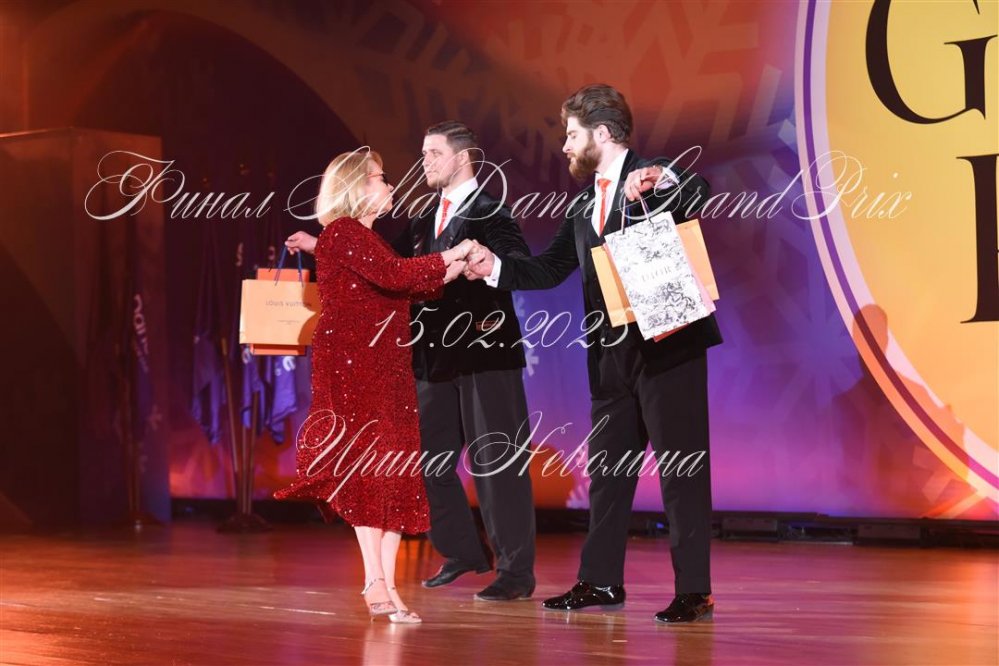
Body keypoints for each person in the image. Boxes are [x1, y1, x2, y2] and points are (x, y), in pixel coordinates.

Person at [464, 84, 722, 623]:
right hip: (610, 356)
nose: (564, 145)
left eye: (572, 134)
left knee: (681, 473)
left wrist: (661, 179)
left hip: (668, 346)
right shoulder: (584, 204)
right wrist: (494, 267)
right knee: (608, 474)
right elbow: (549, 268)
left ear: (602, 134)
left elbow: (697, 191)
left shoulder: (650, 175)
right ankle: (601, 581)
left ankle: (694, 591)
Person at [285, 122, 537, 602]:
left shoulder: (492, 210)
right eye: (422, 153)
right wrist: (324, 246)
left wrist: (486, 263)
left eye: (434, 153)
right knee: (422, 460)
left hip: (484, 353)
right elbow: (384, 267)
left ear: (461, 157)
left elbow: (517, 264)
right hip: (430, 360)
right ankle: (461, 550)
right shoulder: (423, 219)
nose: (424, 163)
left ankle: (514, 572)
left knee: (496, 464)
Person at [274, 149, 474, 624]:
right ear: (356, 185)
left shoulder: (366, 238)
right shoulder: (343, 232)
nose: (389, 185)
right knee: (367, 471)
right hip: (354, 366)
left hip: (387, 365)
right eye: (381, 178)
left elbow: (408, 285)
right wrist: (453, 253)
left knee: (394, 473)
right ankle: (375, 580)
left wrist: (457, 266)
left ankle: (386, 584)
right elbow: (397, 275)